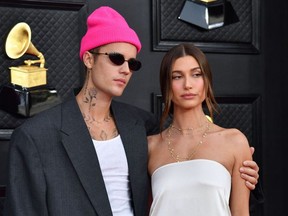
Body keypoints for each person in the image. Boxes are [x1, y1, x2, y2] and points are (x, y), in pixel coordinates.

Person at [4, 6, 260, 216]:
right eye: (116, 58)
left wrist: (243, 169)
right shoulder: (36, 137)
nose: (126, 69)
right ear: (89, 59)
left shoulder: (141, 126)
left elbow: (191, 163)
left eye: (132, 62)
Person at [148, 43, 256, 215]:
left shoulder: (234, 141)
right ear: (166, 86)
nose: (188, 84)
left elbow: (241, 213)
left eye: (196, 74)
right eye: (177, 77)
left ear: (207, 82)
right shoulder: (150, 147)